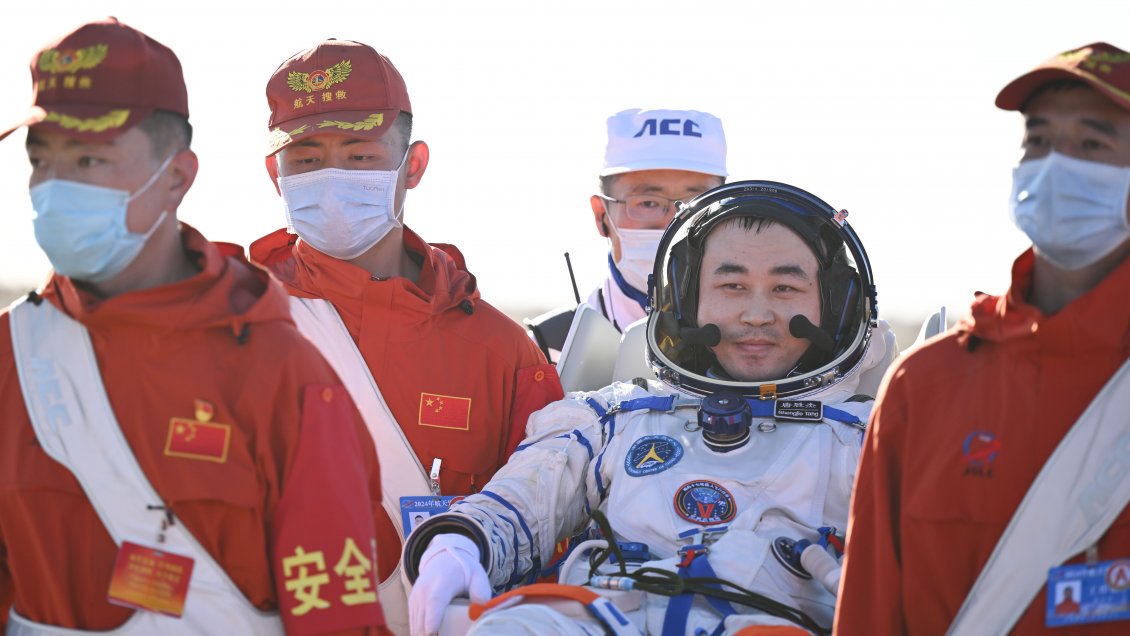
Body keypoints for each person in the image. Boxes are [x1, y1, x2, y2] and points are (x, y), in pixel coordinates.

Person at [0, 19, 387, 635]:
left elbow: (336, 615)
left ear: (177, 176)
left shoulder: (278, 372)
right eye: (41, 160)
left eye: (89, 158)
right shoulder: (12, 355)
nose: (54, 189)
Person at [403, 180, 897, 635]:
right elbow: (527, 499)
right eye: (732, 286)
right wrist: (462, 543)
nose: (756, 314)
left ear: (834, 306)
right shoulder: (618, 417)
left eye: (785, 288)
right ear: (685, 302)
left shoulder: (870, 439)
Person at [250, 39, 562, 633]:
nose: (333, 177)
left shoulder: (502, 352)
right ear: (276, 174)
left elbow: (551, 537)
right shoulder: (230, 330)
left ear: (412, 165)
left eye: (361, 155)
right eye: (308, 159)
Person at [835, 42, 1130, 635]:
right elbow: (869, 606)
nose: (1055, 167)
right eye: (1038, 142)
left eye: (1092, 145)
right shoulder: (926, 382)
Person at [526, 108, 727, 360]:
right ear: (601, 215)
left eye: (694, 203)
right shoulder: (551, 348)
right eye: (647, 203)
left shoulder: (757, 341)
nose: (672, 223)